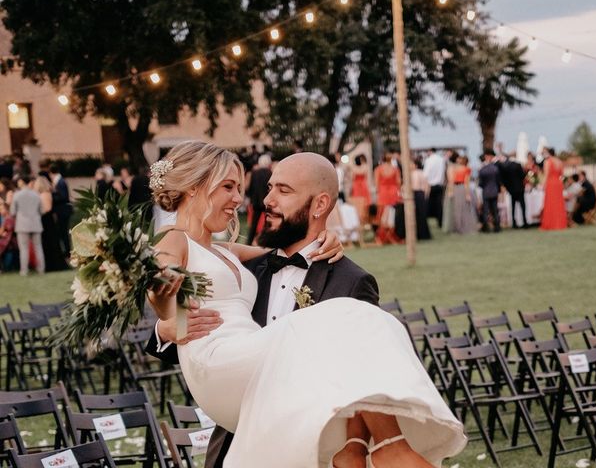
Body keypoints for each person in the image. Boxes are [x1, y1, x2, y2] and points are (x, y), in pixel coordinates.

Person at [146, 142, 466, 468]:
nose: (251, 200)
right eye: (229, 187)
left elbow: (280, 259)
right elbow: (164, 287)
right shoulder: (172, 239)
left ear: (320, 204)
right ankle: (387, 445)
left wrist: (327, 239)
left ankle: (358, 447)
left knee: (367, 318)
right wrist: (168, 321)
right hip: (227, 376)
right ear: (194, 187)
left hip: (303, 427)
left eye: (281, 190)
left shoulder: (234, 255)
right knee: (332, 321)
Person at [10, 176, 45, 276]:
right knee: (38, 247)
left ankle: (24, 270)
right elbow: (41, 210)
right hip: (36, 223)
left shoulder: (17, 195)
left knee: (23, 249)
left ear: (22, 183)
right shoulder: (36, 194)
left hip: (22, 224)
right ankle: (41, 269)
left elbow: (12, 211)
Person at [33, 176, 68, 272]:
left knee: (51, 242)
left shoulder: (45, 194)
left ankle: (54, 265)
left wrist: (38, 213)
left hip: (47, 220)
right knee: (46, 243)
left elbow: (48, 208)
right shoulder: (42, 194)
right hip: (44, 220)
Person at [374, 152, 402, 244]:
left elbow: (376, 183)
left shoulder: (378, 169)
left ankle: (381, 236)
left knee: (382, 215)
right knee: (392, 215)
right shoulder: (395, 169)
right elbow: (398, 182)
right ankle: (391, 235)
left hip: (383, 193)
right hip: (393, 193)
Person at [246, 154, 271, 245]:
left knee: (254, 224)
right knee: (267, 223)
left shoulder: (254, 173)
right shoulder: (270, 173)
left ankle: (249, 242)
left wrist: (251, 198)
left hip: (256, 201)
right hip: (266, 202)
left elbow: (250, 187)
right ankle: (264, 241)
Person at [497, 154, 528, 229]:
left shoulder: (507, 167)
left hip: (512, 189)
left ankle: (514, 223)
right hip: (520, 188)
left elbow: (504, 178)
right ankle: (524, 222)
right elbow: (523, 176)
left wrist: (507, 187)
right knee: (522, 206)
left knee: (513, 206)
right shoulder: (518, 165)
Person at [540, 147, 567, 231]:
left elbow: (546, 174)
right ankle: (560, 223)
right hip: (558, 183)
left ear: (548, 153)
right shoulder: (559, 161)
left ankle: (551, 224)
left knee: (550, 203)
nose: (543, 154)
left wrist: (543, 185)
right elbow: (562, 174)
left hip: (551, 183)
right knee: (558, 204)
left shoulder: (548, 161)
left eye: (544, 152)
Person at [450, 155, 478, 235]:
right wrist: (467, 194)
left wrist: (451, 191)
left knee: (457, 208)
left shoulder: (455, 169)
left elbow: (452, 181)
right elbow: (466, 182)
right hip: (462, 188)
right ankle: (464, 227)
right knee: (464, 209)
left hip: (456, 188)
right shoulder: (467, 169)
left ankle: (458, 227)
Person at [50, 163, 73, 257]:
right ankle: (66, 250)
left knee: (63, 231)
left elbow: (63, 196)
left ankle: (67, 251)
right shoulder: (60, 181)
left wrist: (52, 195)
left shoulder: (61, 182)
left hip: (62, 210)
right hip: (61, 210)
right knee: (62, 231)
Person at [478, 153, 502, 233]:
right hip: (494, 191)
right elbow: (498, 181)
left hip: (486, 192)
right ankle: (497, 227)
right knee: (495, 210)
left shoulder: (482, 170)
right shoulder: (495, 169)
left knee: (486, 210)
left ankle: (486, 227)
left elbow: (480, 183)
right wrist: (498, 189)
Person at [422, 149, 446, 228]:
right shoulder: (441, 160)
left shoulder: (428, 160)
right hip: (440, 185)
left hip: (430, 185)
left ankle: (426, 222)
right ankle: (440, 222)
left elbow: (426, 174)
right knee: (439, 205)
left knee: (427, 204)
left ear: (430, 152)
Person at [410, 159, 431, 240]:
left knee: (418, 215)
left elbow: (415, 185)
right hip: (421, 194)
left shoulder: (414, 173)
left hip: (416, 193)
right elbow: (427, 186)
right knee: (422, 215)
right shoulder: (422, 173)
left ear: (415, 165)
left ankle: (419, 234)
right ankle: (423, 234)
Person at [350, 154, 372, 224]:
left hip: (356, 186)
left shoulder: (353, 168)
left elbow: (352, 179)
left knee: (357, 202)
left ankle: (358, 218)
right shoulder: (365, 167)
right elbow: (367, 177)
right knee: (365, 202)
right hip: (363, 185)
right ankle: (365, 218)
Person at [0, 200, 18, 272]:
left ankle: (4, 268)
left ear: (7, 209)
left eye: (1, 209)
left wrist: (1, 233)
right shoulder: (7, 218)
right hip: (8, 241)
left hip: (9, 242)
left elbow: (3, 231)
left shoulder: (8, 219)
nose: (0, 211)